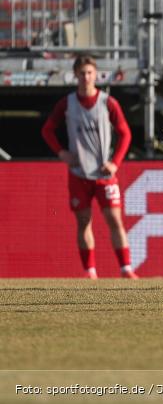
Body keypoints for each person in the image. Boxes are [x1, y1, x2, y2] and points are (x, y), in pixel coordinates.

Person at [41, 55, 137, 279]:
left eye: (89, 73)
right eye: (82, 73)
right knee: (84, 222)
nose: (86, 77)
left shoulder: (107, 102)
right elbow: (47, 130)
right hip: (78, 173)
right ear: (75, 75)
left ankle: (126, 269)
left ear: (96, 74)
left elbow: (125, 133)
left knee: (114, 220)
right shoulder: (67, 103)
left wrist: (115, 163)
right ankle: (90, 271)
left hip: (104, 174)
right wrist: (61, 152)